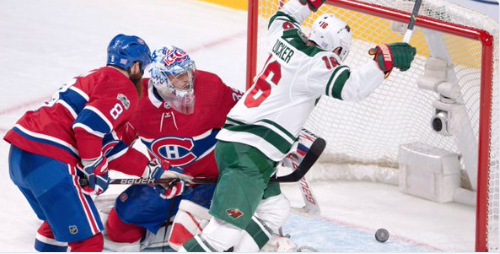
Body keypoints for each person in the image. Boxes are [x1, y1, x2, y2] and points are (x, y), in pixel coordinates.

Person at [181, 0, 416, 252]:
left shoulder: (285, 36)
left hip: (242, 145)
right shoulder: (318, 63)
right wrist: (383, 62)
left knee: (275, 208)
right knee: (224, 233)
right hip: (252, 152)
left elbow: (283, 15)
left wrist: (304, 3)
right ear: (336, 49)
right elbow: (353, 88)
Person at [4, 34, 152, 252]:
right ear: (136, 66)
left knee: (56, 227)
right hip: (49, 159)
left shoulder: (96, 77)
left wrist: (150, 169)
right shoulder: (122, 86)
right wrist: (96, 170)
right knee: (88, 242)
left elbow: (106, 145)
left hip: (22, 156)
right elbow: (87, 129)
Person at [101, 45, 243, 251]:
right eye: (178, 76)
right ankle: (167, 226)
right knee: (119, 225)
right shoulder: (135, 99)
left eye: (188, 73)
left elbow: (250, 113)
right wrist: (92, 163)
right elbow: (116, 144)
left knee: (185, 237)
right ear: (159, 79)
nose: (187, 80)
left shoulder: (209, 88)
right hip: (166, 180)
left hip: (212, 181)